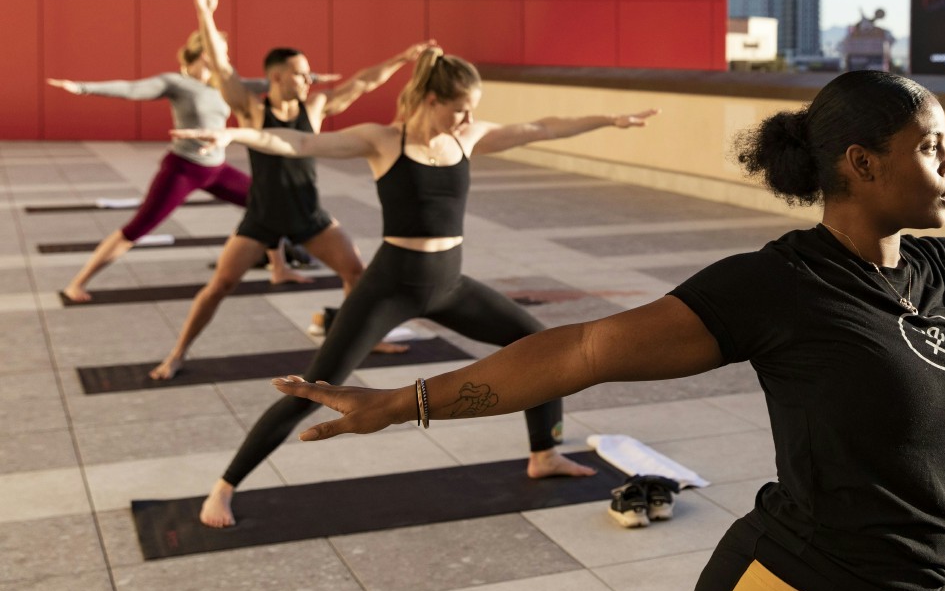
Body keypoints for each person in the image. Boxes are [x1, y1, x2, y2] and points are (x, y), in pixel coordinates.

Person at [267, 70, 945, 591]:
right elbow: (581, 351)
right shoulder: (778, 288)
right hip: (803, 580)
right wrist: (397, 404)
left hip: (933, 575)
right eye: (932, 149)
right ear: (860, 163)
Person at [173, 46, 661, 528]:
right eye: (459, 107)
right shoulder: (384, 140)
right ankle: (225, 485)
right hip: (388, 288)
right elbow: (299, 144)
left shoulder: (468, 137)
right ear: (430, 98)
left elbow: (543, 128)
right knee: (311, 389)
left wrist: (609, 120)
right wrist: (232, 134)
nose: (468, 117)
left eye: (472, 109)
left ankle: (544, 453)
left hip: (449, 286)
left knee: (541, 348)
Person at [147, 0, 432, 380]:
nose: (308, 78)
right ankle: (176, 354)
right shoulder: (249, 108)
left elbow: (362, 83)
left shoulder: (314, 108)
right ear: (277, 77)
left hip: (308, 216)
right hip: (261, 218)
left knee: (357, 274)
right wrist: (204, 15)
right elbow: (223, 68)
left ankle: (360, 341)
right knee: (220, 286)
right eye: (301, 73)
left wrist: (403, 59)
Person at [47, 31, 332, 302]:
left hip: (217, 169)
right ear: (205, 52)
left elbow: (271, 83)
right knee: (137, 228)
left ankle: (279, 268)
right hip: (183, 170)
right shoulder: (177, 83)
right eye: (221, 50)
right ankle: (78, 283)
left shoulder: (224, 85)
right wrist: (83, 88)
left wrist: (314, 77)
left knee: (269, 204)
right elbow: (132, 89)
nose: (226, 56)